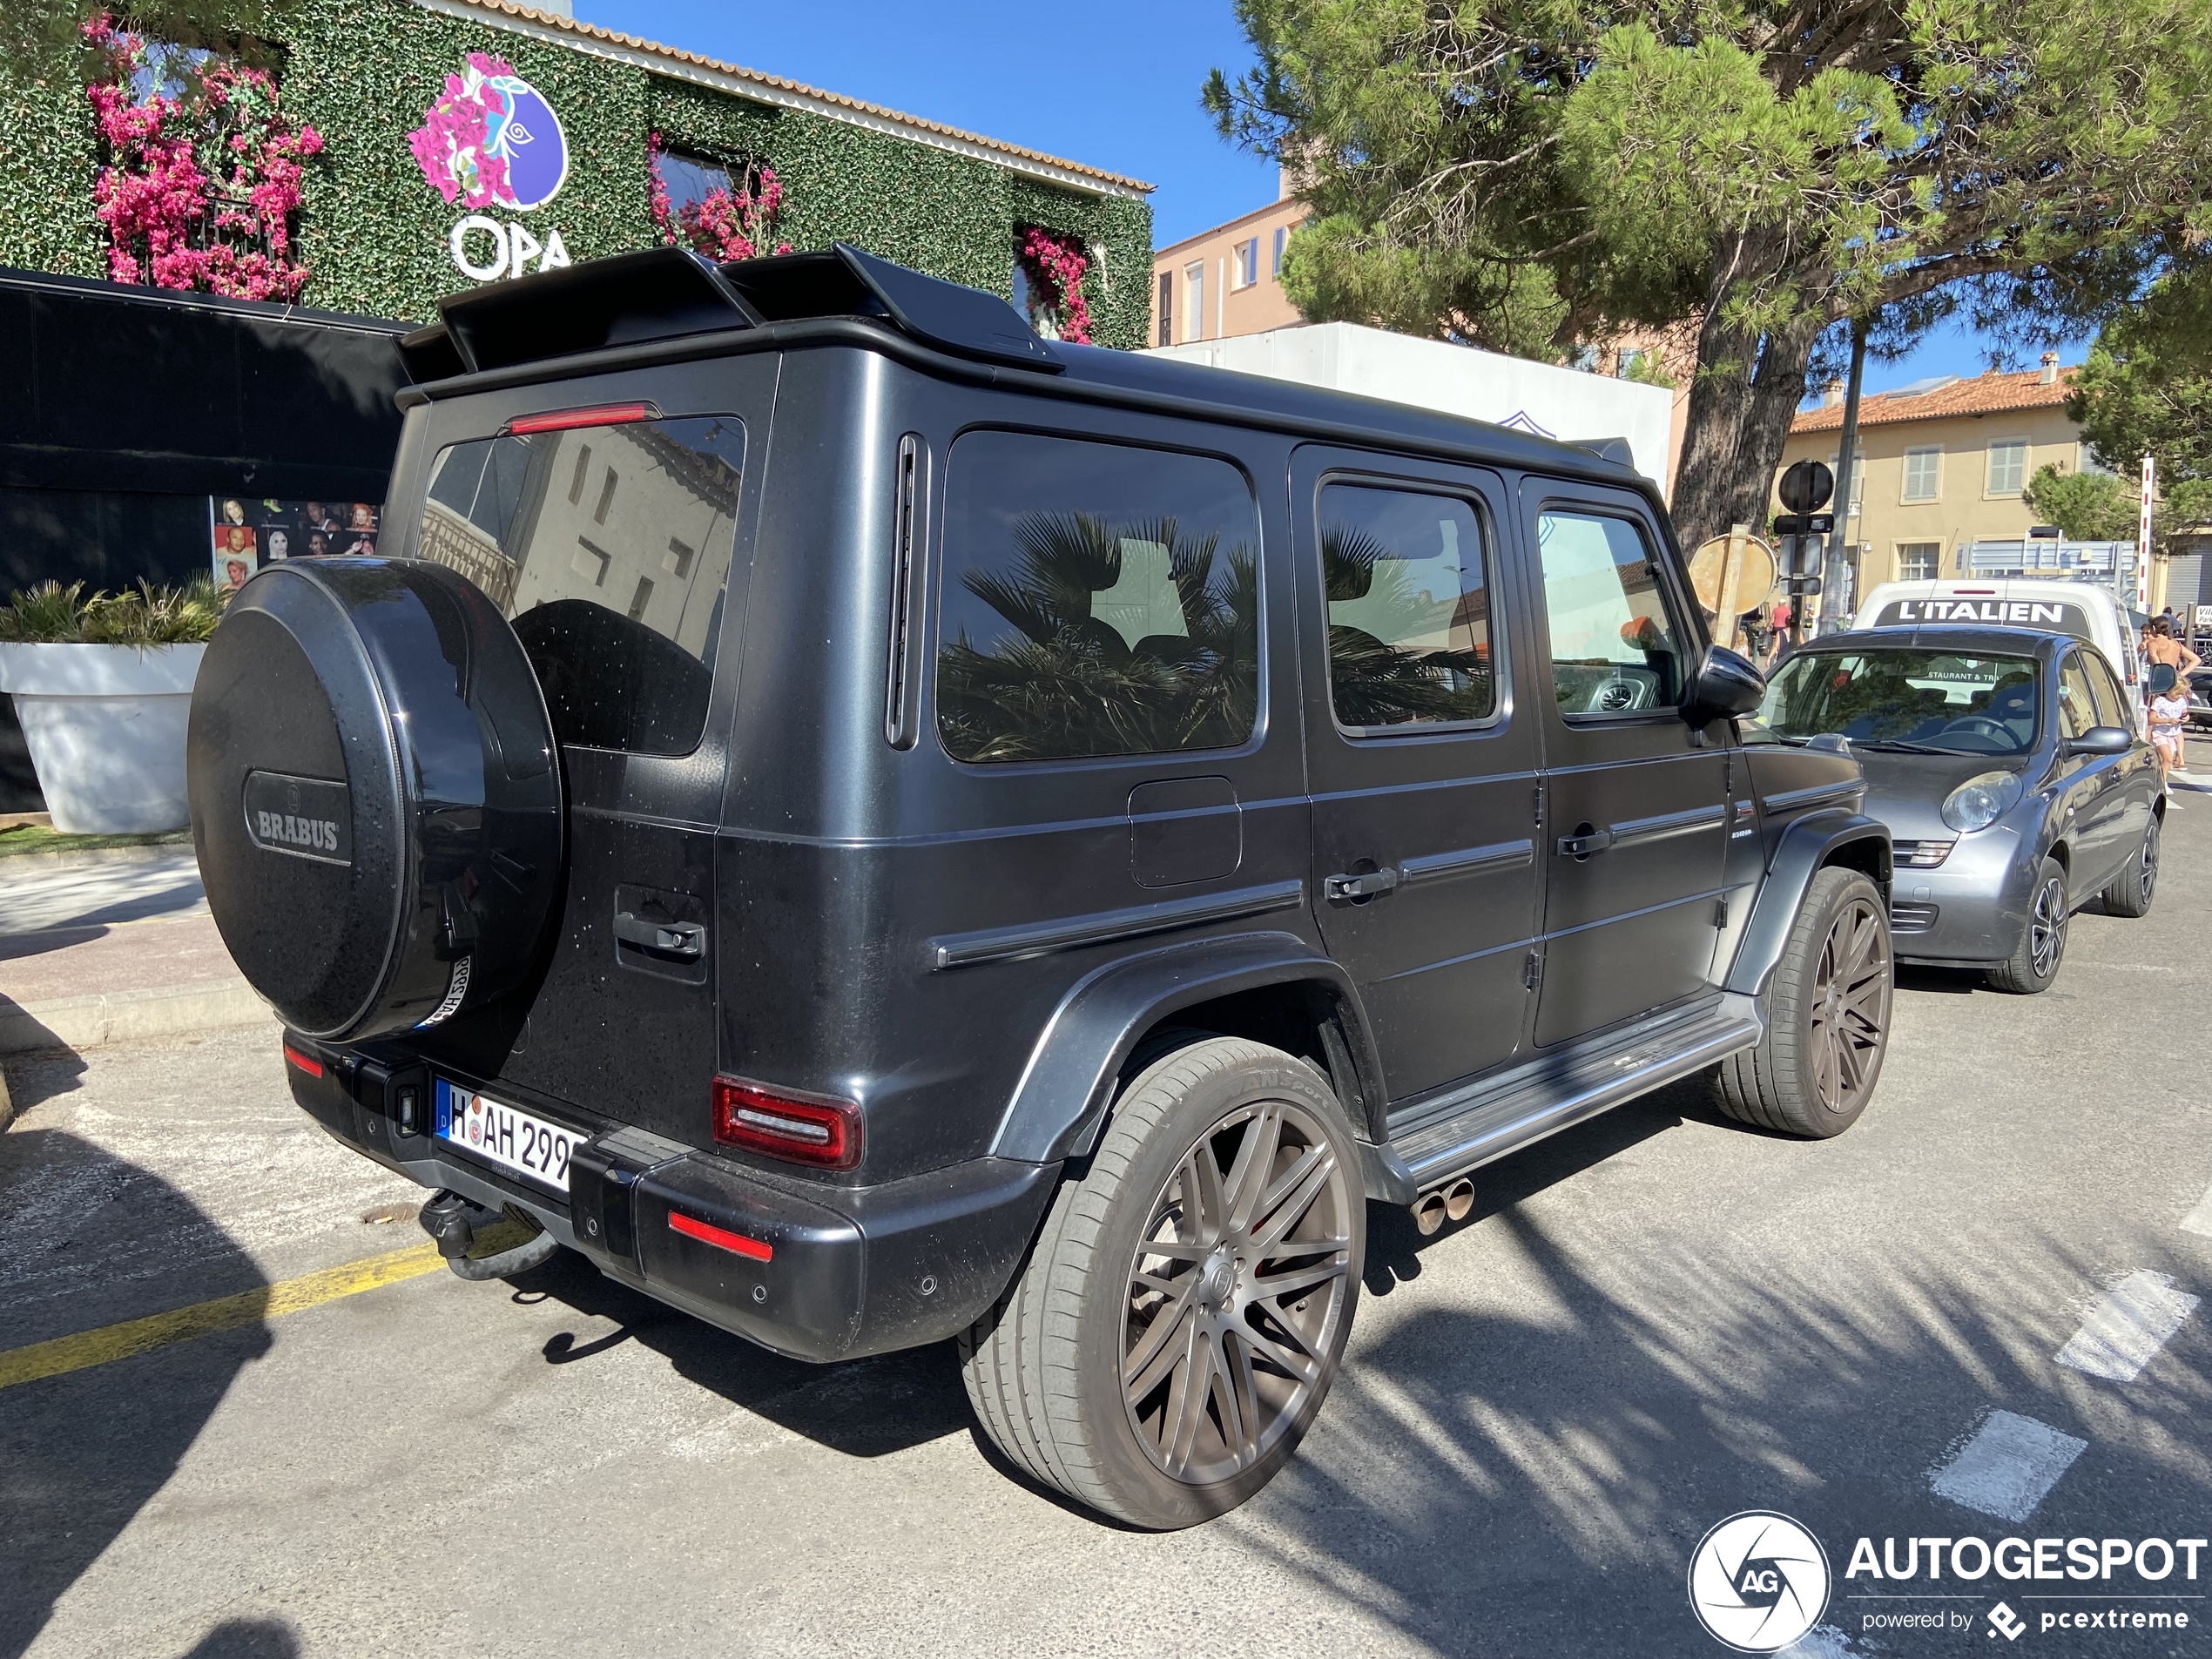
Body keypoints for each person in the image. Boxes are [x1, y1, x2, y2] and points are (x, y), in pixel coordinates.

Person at [2148, 671, 2190, 779]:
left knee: (2164, 760)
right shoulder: (2160, 701)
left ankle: (2160, 779)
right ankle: (2163, 782)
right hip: (2160, 733)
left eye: (2182, 694)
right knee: (2168, 759)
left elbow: (2186, 714)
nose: (2179, 696)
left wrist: (2185, 718)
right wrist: (2168, 720)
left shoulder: (2181, 701)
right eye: (2177, 693)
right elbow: (2152, 718)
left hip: (2173, 733)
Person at [2143, 616, 2202, 681]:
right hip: (2173, 681)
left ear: (2153, 628)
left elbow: (2156, 663)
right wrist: (2179, 676)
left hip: (2159, 681)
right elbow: (2197, 660)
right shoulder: (2176, 643)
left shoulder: (2153, 643)